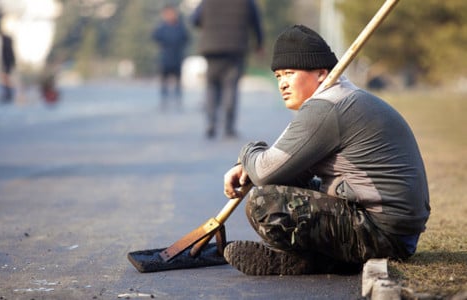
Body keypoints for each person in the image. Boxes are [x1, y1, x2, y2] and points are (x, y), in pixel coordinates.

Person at [222, 25, 430, 275]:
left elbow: (265, 173)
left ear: (321, 74)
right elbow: (290, 175)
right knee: (282, 190)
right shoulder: (343, 98)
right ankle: (316, 260)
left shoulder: (328, 106)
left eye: (289, 73)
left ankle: (308, 260)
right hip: (396, 232)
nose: (282, 84)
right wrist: (251, 165)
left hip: (382, 232)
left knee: (265, 202)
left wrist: (247, 152)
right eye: (278, 76)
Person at [191, 0, 263, 139]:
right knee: (231, 86)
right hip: (235, 48)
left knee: (211, 86)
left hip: (211, 47)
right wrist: (259, 44)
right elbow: (256, 22)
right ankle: (228, 127)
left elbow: (195, 19)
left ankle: (211, 123)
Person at [152, 4, 189, 111]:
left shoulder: (180, 27)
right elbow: (155, 37)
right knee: (164, 82)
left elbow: (186, 39)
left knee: (178, 82)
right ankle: (164, 101)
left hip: (177, 58)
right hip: (165, 59)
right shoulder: (162, 27)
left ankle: (178, 101)